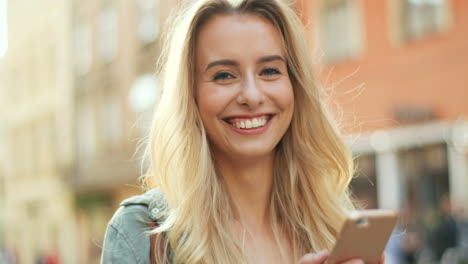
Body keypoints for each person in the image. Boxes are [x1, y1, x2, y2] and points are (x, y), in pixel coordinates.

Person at [101, 0, 383, 263]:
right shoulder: (142, 231)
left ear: (295, 86)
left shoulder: (333, 229)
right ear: (191, 96)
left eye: (270, 71)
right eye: (224, 75)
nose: (251, 95)